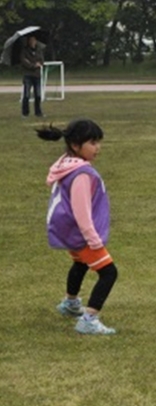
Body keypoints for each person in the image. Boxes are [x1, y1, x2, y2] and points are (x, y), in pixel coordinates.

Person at [42, 119, 118, 335]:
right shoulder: (82, 174)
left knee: (81, 263)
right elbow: (81, 211)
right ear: (76, 146)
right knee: (109, 272)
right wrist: (93, 239)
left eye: (98, 142)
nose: (98, 148)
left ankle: (70, 303)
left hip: (68, 231)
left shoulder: (66, 163)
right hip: (80, 233)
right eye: (92, 143)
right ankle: (89, 319)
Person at [20, 34, 44, 117]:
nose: (32, 42)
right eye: (31, 40)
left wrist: (39, 64)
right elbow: (24, 61)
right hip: (28, 76)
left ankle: (38, 112)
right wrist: (33, 65)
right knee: (26, 95)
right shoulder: (24, 51)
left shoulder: (39, 50)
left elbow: (41, 61)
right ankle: (25, 113)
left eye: (34, 40)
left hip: (37, 76)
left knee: (38, 95)